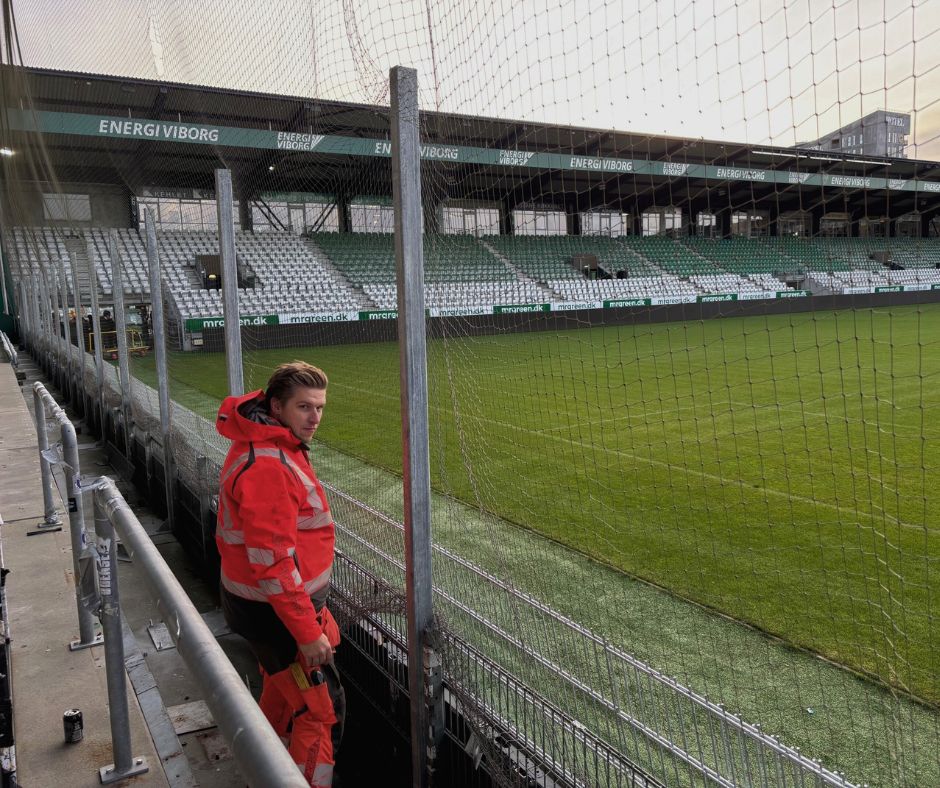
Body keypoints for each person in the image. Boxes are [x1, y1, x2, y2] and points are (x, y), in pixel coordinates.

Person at [216, 361, 344, 786]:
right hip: (277, 613)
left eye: (320, 407)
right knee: (320, 711)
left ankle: (263, 768)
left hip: (266, 608)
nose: (315, 418)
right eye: (304, 407)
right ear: (276, 407)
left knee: (280, 691)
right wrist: (307, 633)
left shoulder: (267, 443)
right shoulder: (268, 463)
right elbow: (273, 565)